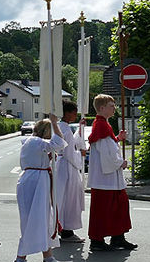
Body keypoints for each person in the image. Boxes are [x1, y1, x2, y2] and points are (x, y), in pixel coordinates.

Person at [12, 116, 70, 262]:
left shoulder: (37, 143)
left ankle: (48, 258)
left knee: (44, 219)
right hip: (34, 181)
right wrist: (55, 124)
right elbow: (59, 143)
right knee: (32, 220)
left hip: (39, 180)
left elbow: (58, 146)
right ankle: (20, 260)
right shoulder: (36, 142)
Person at [86, 94, 136, 252]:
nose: (114, 108)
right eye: (111, 105)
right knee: (103, 210)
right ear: (102, 108)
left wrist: (117, 138)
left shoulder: (103, 125)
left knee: (119, 207)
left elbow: (107, 145)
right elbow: (106, 154)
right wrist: (121, 163)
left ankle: (117, 237)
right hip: (105, 179)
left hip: (110, 178)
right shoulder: (101, 126)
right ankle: (97, 240)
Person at [54, 101, 88, 244]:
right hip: (68, 166)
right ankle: (67, 230)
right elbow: (69, 152)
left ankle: (62, 227)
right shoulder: (65, 129)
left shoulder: (61, 127)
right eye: (73, 112)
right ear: (67, 113)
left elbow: (71, 141)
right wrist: (80, 157)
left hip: (61, 166)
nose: (75, 115)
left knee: (63, 198)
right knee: (70, 199)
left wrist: (80, 128)